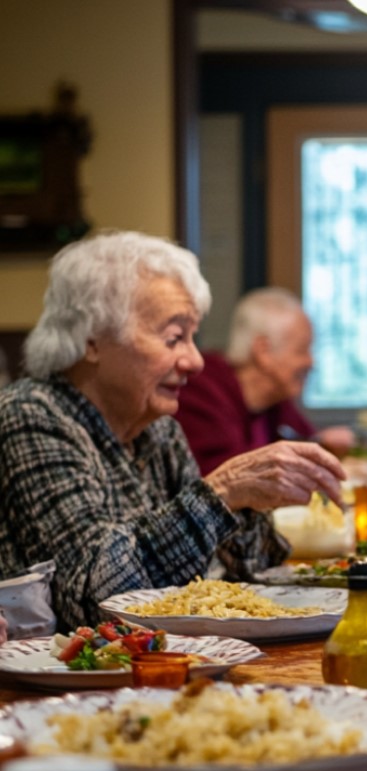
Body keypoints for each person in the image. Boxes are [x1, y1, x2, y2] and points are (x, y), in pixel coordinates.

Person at [0, 231, 346, 631]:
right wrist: (223, 491)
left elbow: (255, 567)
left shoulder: (157, 428)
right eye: (173, 338)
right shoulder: (32, 416)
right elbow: (95, 601)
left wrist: (251, 497)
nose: (195, 360)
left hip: (159, 665)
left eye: (192, 337)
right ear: (93, 340)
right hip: (51, 685)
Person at [176, 287, 354, 474]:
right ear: (263, 351)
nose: (311, 362)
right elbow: (222, 477)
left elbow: (306, 441)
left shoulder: (275, 400)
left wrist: (321, 443)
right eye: (302, 350)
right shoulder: (202, 390)